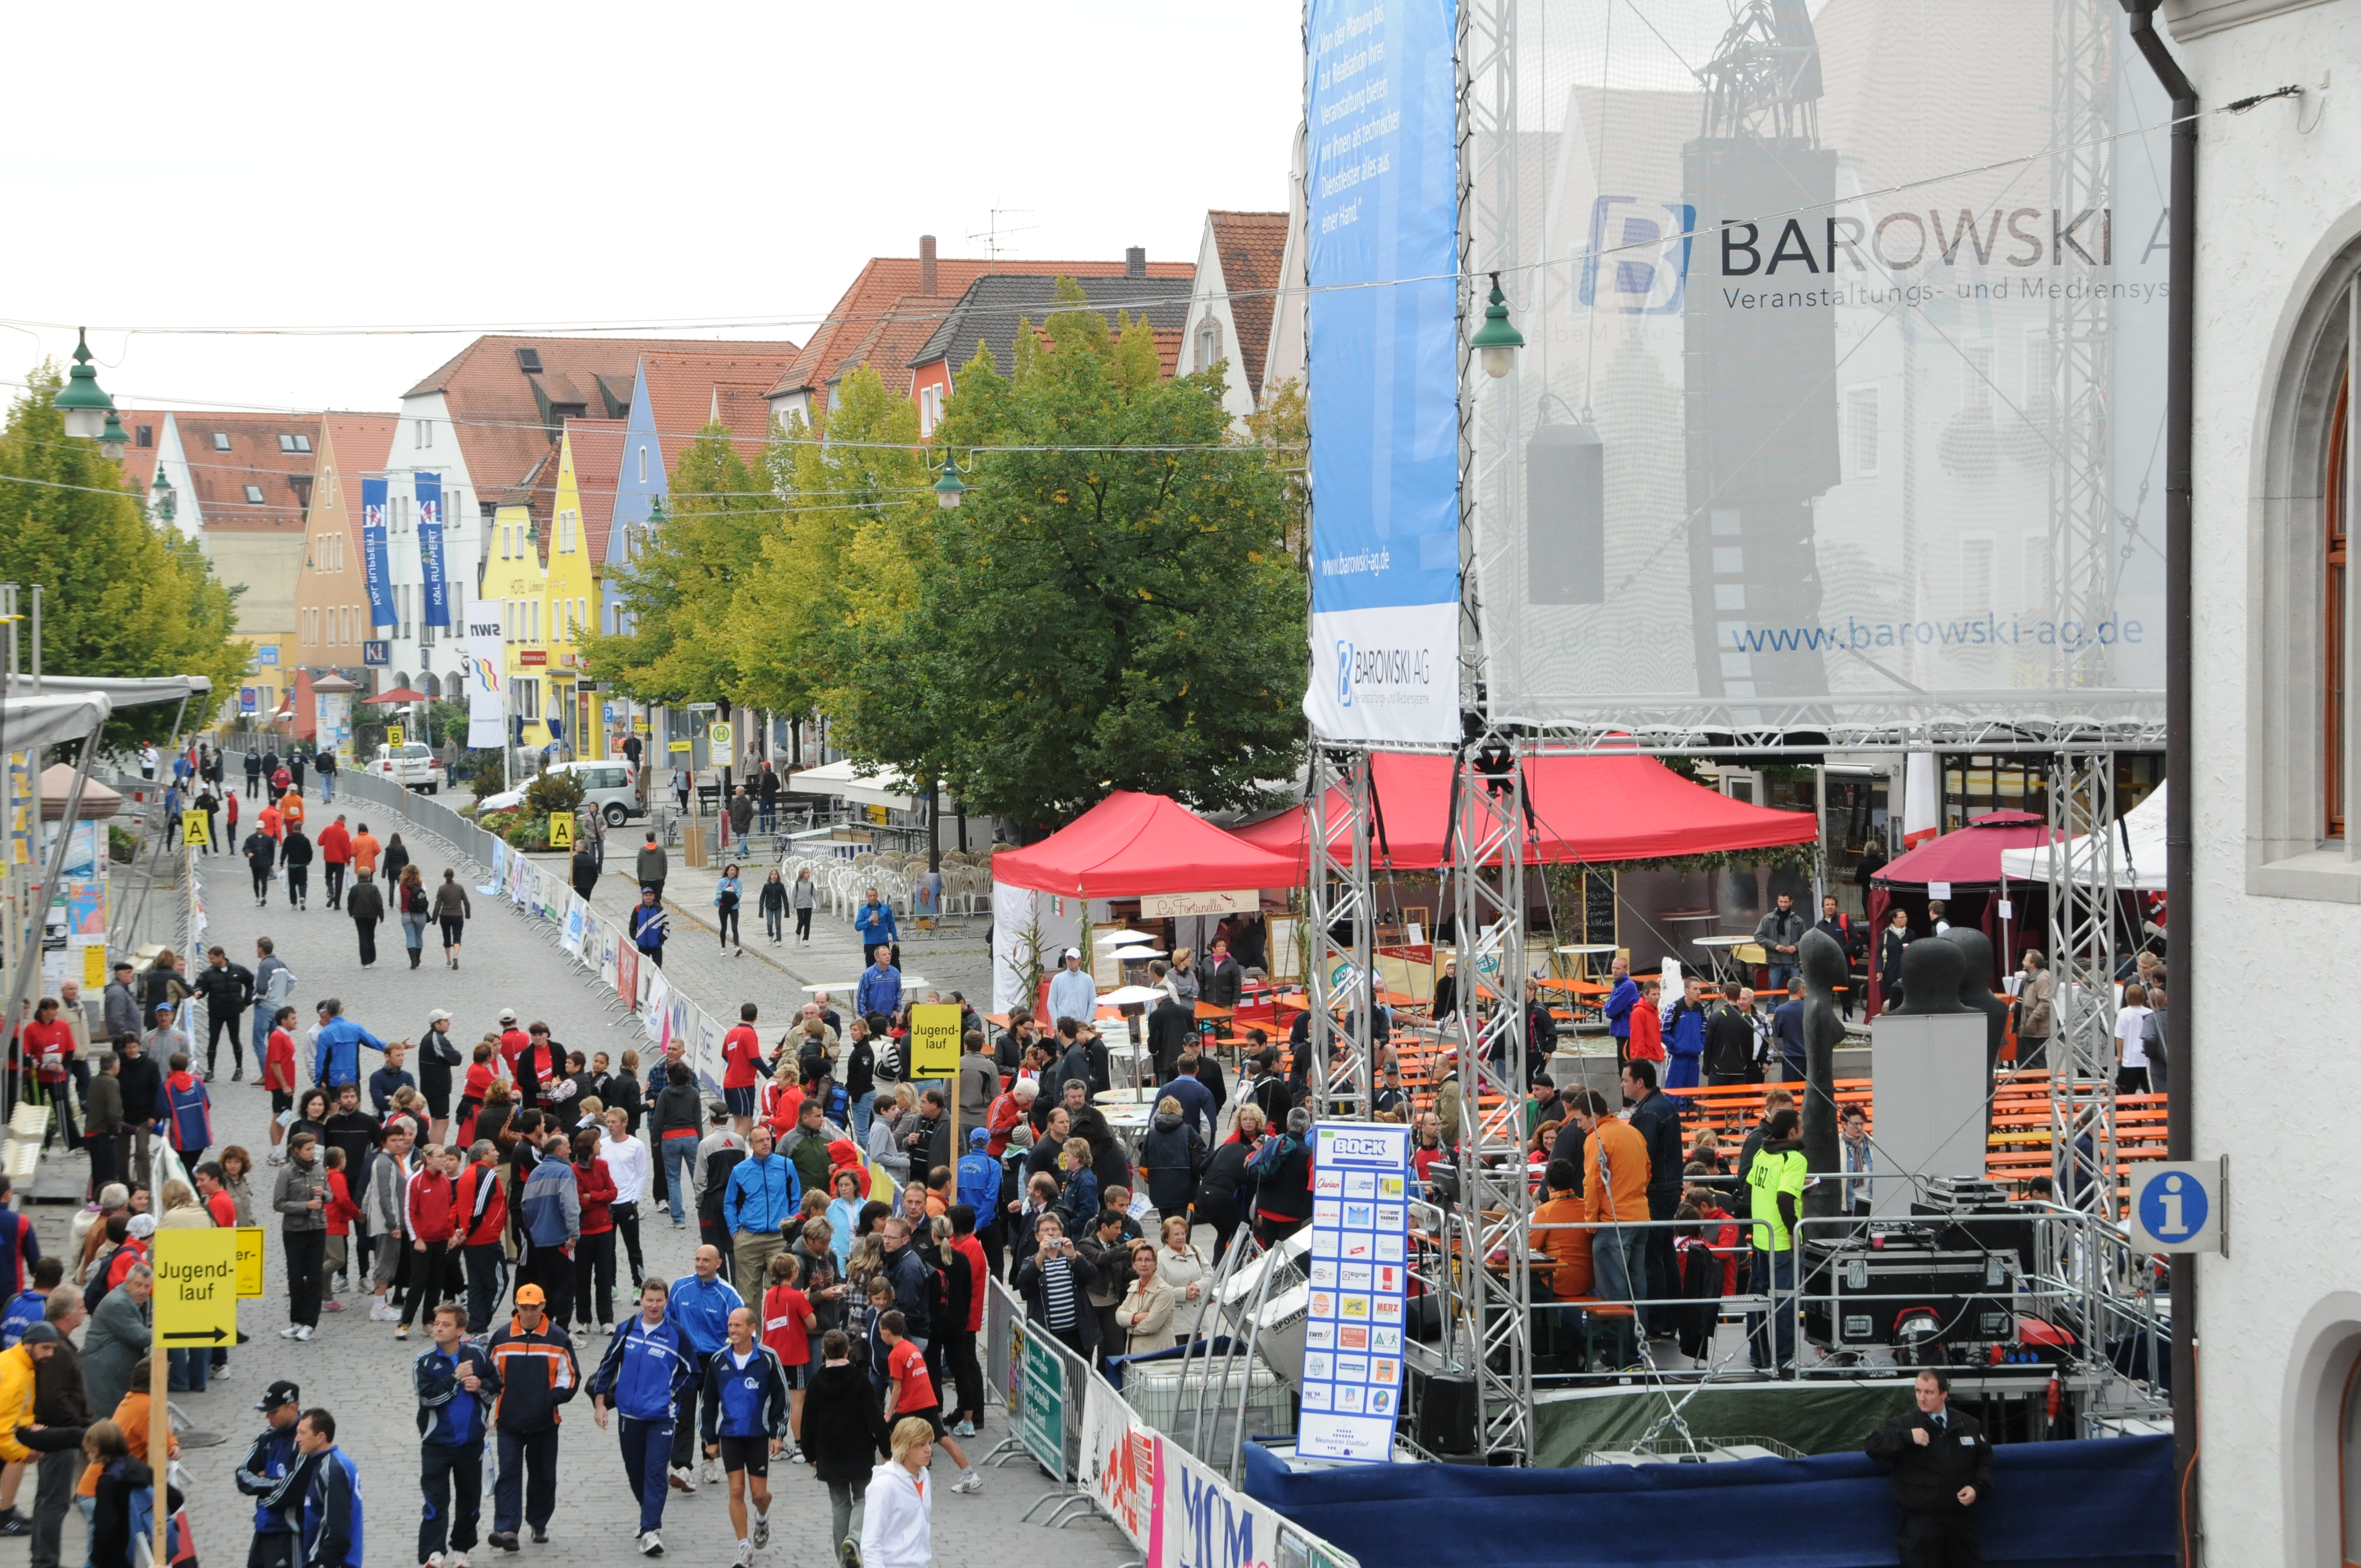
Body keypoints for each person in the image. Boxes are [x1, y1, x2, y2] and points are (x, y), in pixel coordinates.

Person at [591, 1279, 698, 1558]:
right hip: (629, 1415)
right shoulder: (627, 1329)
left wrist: (671, 1394)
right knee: (636, 1472)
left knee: (655, 1473)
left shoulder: (676, 1334)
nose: (654, 1306)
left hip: (662, 1417)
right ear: (641, 1299)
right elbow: (607, 1366)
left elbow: (692, 1372)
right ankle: (647, 1514)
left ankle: (651, 1530)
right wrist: (600, 1403)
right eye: (649, 1300)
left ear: (666, 1302)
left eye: (659, 1301)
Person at [1867, 1368, 1995, 1566]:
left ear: (1944, 1394)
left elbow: (1985, 1459)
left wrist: (1977, 1487)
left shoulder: (1968, 1424)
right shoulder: (1905, 1423)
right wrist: (1907, 1437)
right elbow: (1873, 1445)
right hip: (1920, 1525)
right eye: (1918, 1391)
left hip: (1958, 1522)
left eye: (1929, 1392)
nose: (1922, 1398)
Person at [485, 1282, 579, 1549]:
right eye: (523, 1307)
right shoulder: (502, 1337)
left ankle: (539, 1523)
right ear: (516, 1306)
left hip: (544, 1423)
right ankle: (507, 1529)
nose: (528, 1313)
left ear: (543, 1306)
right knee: (509, 1474)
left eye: (533, 1308)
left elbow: (570, 1377)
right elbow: (489, 1376)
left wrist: (547, 1400)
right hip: (509, 1422)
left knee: (543, 1475)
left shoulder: (558, 1338)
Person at [699, 1305, 791, 1567]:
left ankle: (762, 1518)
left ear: (752, 1329)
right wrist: (710, 1439)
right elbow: (708, 1401)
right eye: (730, 1325)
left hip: (758, 1435)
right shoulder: (718, 1360)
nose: (732, 1330)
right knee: (736, 1490)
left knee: (758, 1494)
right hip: (729, 1435)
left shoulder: (768, 1358)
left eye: (738, 1326)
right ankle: (743, 1547)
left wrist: (778, 1433)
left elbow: (781, 1397)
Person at [415, 1301, 498, 1568]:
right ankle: (433, 1553)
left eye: (445, 1324)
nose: (438, 1328)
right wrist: (455, 1377)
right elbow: (428, 1398)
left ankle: (462, 1550)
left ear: (460, 1330)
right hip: (436, 1445)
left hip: (471, 1443)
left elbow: (496, 1386)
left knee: (469, 1501)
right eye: (437, 1323)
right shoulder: (425, 1361)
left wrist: (479, 1384)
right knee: (435, 1501)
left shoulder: (478, 1355)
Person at [803, 1328, 892, 1555]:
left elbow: (808, 1421)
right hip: (859, 1451)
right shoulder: (859, 1380)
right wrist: (886, 1448)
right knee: (864, 1498)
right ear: (847, 1350)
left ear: (824, 1352)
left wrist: (809, 1454)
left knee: (839, 1505)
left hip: (828, 1453)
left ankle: (844, 1560)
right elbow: (875, 1416)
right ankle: (854, 1539)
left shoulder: (815, 1382)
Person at [876, 1307, 980, 1490]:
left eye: (879, 1331)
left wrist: (889, 1413)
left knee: (887, 1433)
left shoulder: (895, 1355)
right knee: (943, 1438)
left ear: (886, 1333)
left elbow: (897, 1388)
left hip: (911, 1404)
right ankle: (969, 1474)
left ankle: (890, 1478)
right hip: (928, 1400)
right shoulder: (912, 1348)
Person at [666, 1245, 744, 1488]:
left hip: (715, 1361)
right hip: (686, 1362)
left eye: (706, 1261)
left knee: (710, 1413)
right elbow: (669, 1320)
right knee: (684, 1413)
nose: (700, 1264)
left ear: (718, 1264)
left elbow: (741, 1329)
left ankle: (709, 1461)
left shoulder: (729, 1295)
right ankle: (681, 1466)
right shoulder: (680, 1287)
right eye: (697, 1259)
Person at [1746, 1108, 1808, 1371]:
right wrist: (1795, 1232)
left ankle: (1758, 1353)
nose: (1803, 1131)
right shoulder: (1793, 1159)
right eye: (1801, 1127)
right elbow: (1784, 1198)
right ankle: (1784, 1359)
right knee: (1784, 1299)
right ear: (1792, 1132)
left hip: (1761, 1236)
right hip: (1782, 1241)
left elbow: (1750, 1187)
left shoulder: (1762, 1152)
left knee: (1757, 1297)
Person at [235, 1379, 305, 1568]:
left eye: (274, 1412)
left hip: (289, 1534)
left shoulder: (305, 1439)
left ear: (292, 1408)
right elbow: (242, 1475)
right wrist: (274, 1483)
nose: (268, 1417)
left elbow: (293, 1487)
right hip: (263, 1528)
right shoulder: (267, 1435)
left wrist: (262, 1480)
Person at [289, 1407, 363, 1568]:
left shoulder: (330, 1470)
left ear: (320, 1437)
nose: (297, 1439)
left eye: (302, 1433)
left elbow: (337, 1528)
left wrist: (323, 1563)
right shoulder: (331, 1463)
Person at [273, 1131, 329, 1341]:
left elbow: (330, 1195)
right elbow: (278, 1203)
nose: (312, 1153)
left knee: (315, 1277)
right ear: (296, 1150)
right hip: (294, 1230)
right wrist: (304, 1206)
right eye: (308, 1149)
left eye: (314, 1148)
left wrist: (323, 1195)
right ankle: (296, 1321)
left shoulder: (318, 1168)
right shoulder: (286, 1172)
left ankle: (310, 1323)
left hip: (317, 1229)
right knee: (296, 1278)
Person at [191, 946, 253, 1082]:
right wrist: (198, 992)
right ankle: (210, 1070)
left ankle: (239, 1068)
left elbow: (250, 982)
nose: (210, 961)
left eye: (212, 958)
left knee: (235, 1039)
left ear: (221, 957)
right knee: (213, 1041)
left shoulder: (238, 970)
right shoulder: (208, 974)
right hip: (216, 1013)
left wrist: (247, 1001)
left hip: (233, 1012)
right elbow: (200, 986)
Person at [1117, 1240, 1176, 1352]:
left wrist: (1129, 1327)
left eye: (1148, 1260)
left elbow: (1151, 1325)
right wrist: (1137, 1318)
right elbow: (1118, 1316)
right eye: (1139, 1260)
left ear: (1155, 1264)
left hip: (1156, 1353)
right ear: (1134, 1265)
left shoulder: (1164, 1290)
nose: (1143, 1264)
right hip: (1133, 1351)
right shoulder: (1134, 1286)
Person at [1753, 891, 1806, 992]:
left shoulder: (1798, 921)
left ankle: (1797, 1008)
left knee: (1797, 993)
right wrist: (1775, 945)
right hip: (1775, 962)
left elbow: (1805, 939)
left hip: (1793, 963)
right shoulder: (1768, 919)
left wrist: (1796, 946)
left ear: (1791, 902)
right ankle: (1772, 1009)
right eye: (1781, 902)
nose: (1783, 904)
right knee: (1773, 994)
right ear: (1778, 902)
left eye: (1786, 902)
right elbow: (1758, 936)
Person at [1663, 975, 1708, 1090]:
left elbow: (1705, 1031)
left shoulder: (1702, 1009)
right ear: (1686, 991)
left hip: (1694, 1058)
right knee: (1673, 1094)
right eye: (1695, 989)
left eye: (1700, 989)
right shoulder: (1674, 1008)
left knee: (1692, 1096)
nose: (1698, 992)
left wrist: (1700, 1045)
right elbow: (1663, 1031)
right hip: (1677, 1058)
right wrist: (1675, 1045)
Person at [2013, 949, 2053, 1071]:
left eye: (2025, 959)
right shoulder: (2029, 977)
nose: (2023, 961)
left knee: (2036, 1061)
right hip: (2024, 1027)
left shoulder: (2043, 978)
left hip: (2035, 1029)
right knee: (2023, 1061)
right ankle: (2025, 1087)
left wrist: (2031, 1020)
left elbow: (2045, 1002)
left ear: (2033, 963)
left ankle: (2039, 1088)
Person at [2114, 982, 2154, 1095]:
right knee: (2149, 1091)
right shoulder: (2150, 1013)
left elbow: (2120, 1037)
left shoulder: (2124, 1013)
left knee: (2128, 1092)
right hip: (2146, 1058)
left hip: (2130, 1058)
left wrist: (2119, 1055)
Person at [430, 867, 472, 971]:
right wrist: (468, 915)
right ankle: (456, 956)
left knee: (447, 937)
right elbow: (466, 902)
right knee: (457, 937)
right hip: (458, 916)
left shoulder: (442, 889)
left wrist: (434, 919)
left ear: (445, 876)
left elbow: (438, 905)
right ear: (453, 876)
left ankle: (449, 960)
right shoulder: (460, 888)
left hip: (445, 916)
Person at [1045, 948, 1095, 1028]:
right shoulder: (1057, 979)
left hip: (1081, 1026)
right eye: (1069, 959)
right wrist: (1056, 1024)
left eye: (1074, 959)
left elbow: (1093, 1003)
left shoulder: (1087, 979)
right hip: (1063, 1026)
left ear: (1080, 960)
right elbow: (1051, 1003)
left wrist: (1087, 1023)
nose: (1071, 961)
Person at [346, 869, 387, 967]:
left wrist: (351, 913)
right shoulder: (374, 888)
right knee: (370, 936)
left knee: (362, 937)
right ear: (369, 876)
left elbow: (350, 902)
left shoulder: (355, 888)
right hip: (372, 915)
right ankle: (372, 957)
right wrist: (381, 916)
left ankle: (365, 961)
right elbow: (379, 903)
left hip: (359, 915)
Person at [853, 887, 897, 968]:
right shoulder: (863, 910)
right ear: (867, 897)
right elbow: (858, 927)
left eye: (874, 895)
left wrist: (895, 939)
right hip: (870, 943)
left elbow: (891, 924)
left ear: (877, 895)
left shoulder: (885, 908)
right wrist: (869, 920)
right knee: (870, 969)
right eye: (870, 896)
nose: (873, 898)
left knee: (885, 967)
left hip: (883, 942)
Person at [1878, 906, 1913, 1009]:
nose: (1905, 919)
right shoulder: (1885, 934)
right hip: (1890, 970)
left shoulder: (1911, 934)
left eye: (1906, 917)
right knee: (1892, 998)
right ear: (1894, 919)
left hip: (1906, 971)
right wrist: (1879, 969)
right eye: (1901, 918)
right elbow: (1879, 953)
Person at [856, 948, 901, 1024]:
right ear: (877, 958)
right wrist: (864, 1016)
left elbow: (898, 993)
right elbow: (861, 996)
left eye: (889, 954)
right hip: (873, 1018)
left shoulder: (895, 973)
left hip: (890, 1016)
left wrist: (896, 1010)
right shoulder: (868, 974)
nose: (888, 957)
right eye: (884, 955)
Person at [318, 816, 351, 911]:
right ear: (344, 821)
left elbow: (320, 842)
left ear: (337, 820)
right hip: (340, 861)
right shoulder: (345, 833)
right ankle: (337, 904)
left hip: (329, 859)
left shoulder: (328, 829)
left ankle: (331, 892)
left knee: (328, 878)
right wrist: (348, 860)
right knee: (339, 881)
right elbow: (346, 849)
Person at [244, 821, 279, 906]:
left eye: (260, 828)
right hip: (254, 863)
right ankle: (258, 897)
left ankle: (263, 896)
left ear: (263, 829)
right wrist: (248, 853)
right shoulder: (250, 839)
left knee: (264, 880)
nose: (259, 830)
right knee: (256, 881)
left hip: (265, 863)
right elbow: (245, 848)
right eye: (258, 828)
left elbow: (272, 852)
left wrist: (271, 862)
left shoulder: (269, 839)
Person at [632, 889, 667, 971]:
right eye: (646, 895)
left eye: (650, 895)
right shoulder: (638, 909)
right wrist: (636, 937)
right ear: (643, 897)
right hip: (643, 946)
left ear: (654, 897)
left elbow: (666, 926)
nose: (648, 897)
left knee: (657, 970)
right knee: (642, 969)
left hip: (656, 946)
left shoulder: (659, 909)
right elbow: (633, 925)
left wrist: (661, 938)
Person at [715, 864, 745, 957]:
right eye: (731, 870)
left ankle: (736, 947)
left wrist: (731, 897)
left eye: (735, 870)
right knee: (724, 928)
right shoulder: (722, 882)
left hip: (734, 907)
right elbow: (718, 895)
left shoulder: (738, 882)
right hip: (724, 907)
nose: (733, 872)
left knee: (735, 928)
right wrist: (727, 896)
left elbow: (739, 895)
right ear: (727, 871)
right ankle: (723, 948)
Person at [282, 820, 314, 909]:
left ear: (293, 829)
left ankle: (294, 904)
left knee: (292, 885)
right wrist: (308, 861)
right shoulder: (305, 840)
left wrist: (281, 863)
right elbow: (310, 852)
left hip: (291, 865)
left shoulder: (288, 839)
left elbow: (284, 852)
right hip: (302, 865)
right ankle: (302, 897)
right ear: (301, 829)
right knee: (303, 883)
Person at [791, 866, 817, 943]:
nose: (808, 874)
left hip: (808, 905)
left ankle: (806, 939)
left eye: (808, 873)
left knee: (807, 923)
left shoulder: (811, 885)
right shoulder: (797, 885)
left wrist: (818, 905)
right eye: (806, 873)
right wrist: (792, 907)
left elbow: (815, 895)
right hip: (800, 906)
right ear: (802, 874)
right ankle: (798, 933)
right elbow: (793, 896)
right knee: (801, 921)